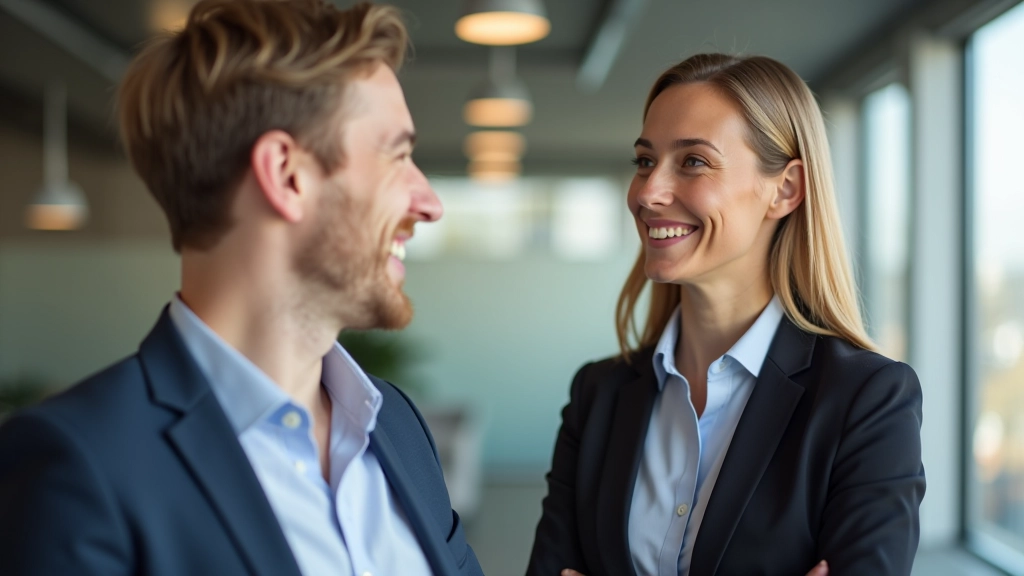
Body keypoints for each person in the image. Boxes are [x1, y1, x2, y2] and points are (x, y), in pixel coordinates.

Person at [0, 1, 483, 575]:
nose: (429, 203)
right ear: (286, 175)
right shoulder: (77, 466)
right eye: (397, 154)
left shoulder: (397, 425)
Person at [526, 53, 925, 576]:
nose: (648, 193)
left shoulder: (868, 402)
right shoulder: (597, 396)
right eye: (645, 161)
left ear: (784, 189)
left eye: (693, 161)